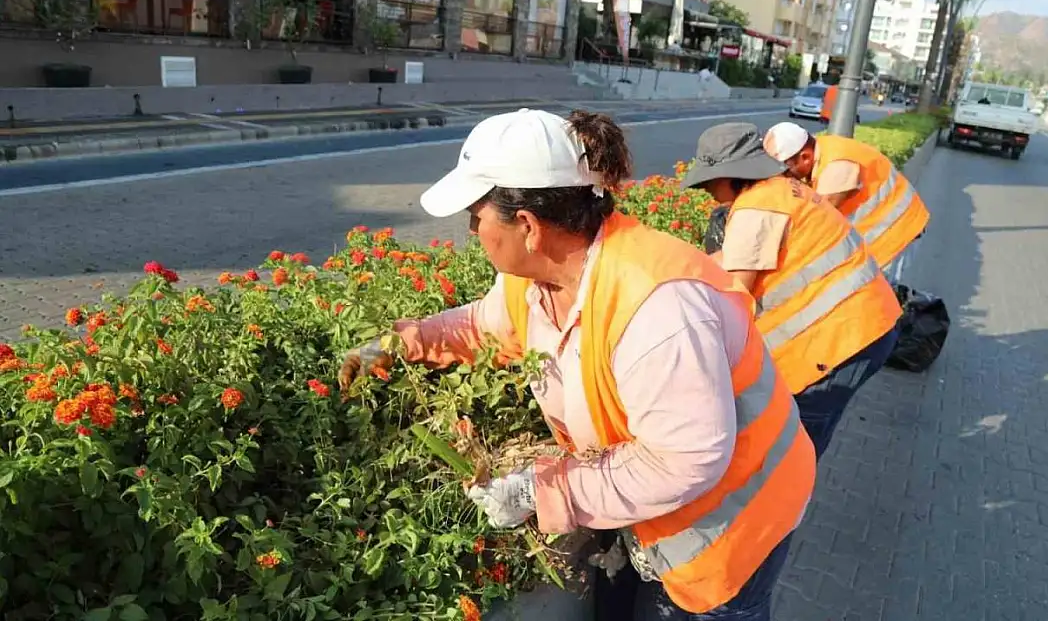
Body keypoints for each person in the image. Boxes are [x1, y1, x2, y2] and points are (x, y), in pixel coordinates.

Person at [337, 109, 815, 620]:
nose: (472, 228)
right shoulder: (536, 279)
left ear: (526, 225)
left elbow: (684, 461)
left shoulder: (658, 305)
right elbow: (485, 325)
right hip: (660, 512)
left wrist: (538, 488)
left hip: (731, 524)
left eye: (475, 215)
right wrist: (397, 342)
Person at [682, 122, 902, 460]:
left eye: (709, 182)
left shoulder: (757, 208)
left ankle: (783, 505)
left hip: (840, 342)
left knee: (792, 445)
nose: (706, 191)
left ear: (731, 175)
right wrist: (683, 266)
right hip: (866, 324)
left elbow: (736, 291)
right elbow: (735, 257)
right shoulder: (780, 190)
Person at [762, 121, 930, 285]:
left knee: (874, 296)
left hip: (895, 232)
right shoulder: (820, 150)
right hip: (880, 233)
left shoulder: (837, 166)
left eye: (785, 169)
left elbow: (817, 219)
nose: (783, 175)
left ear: (805, 157)